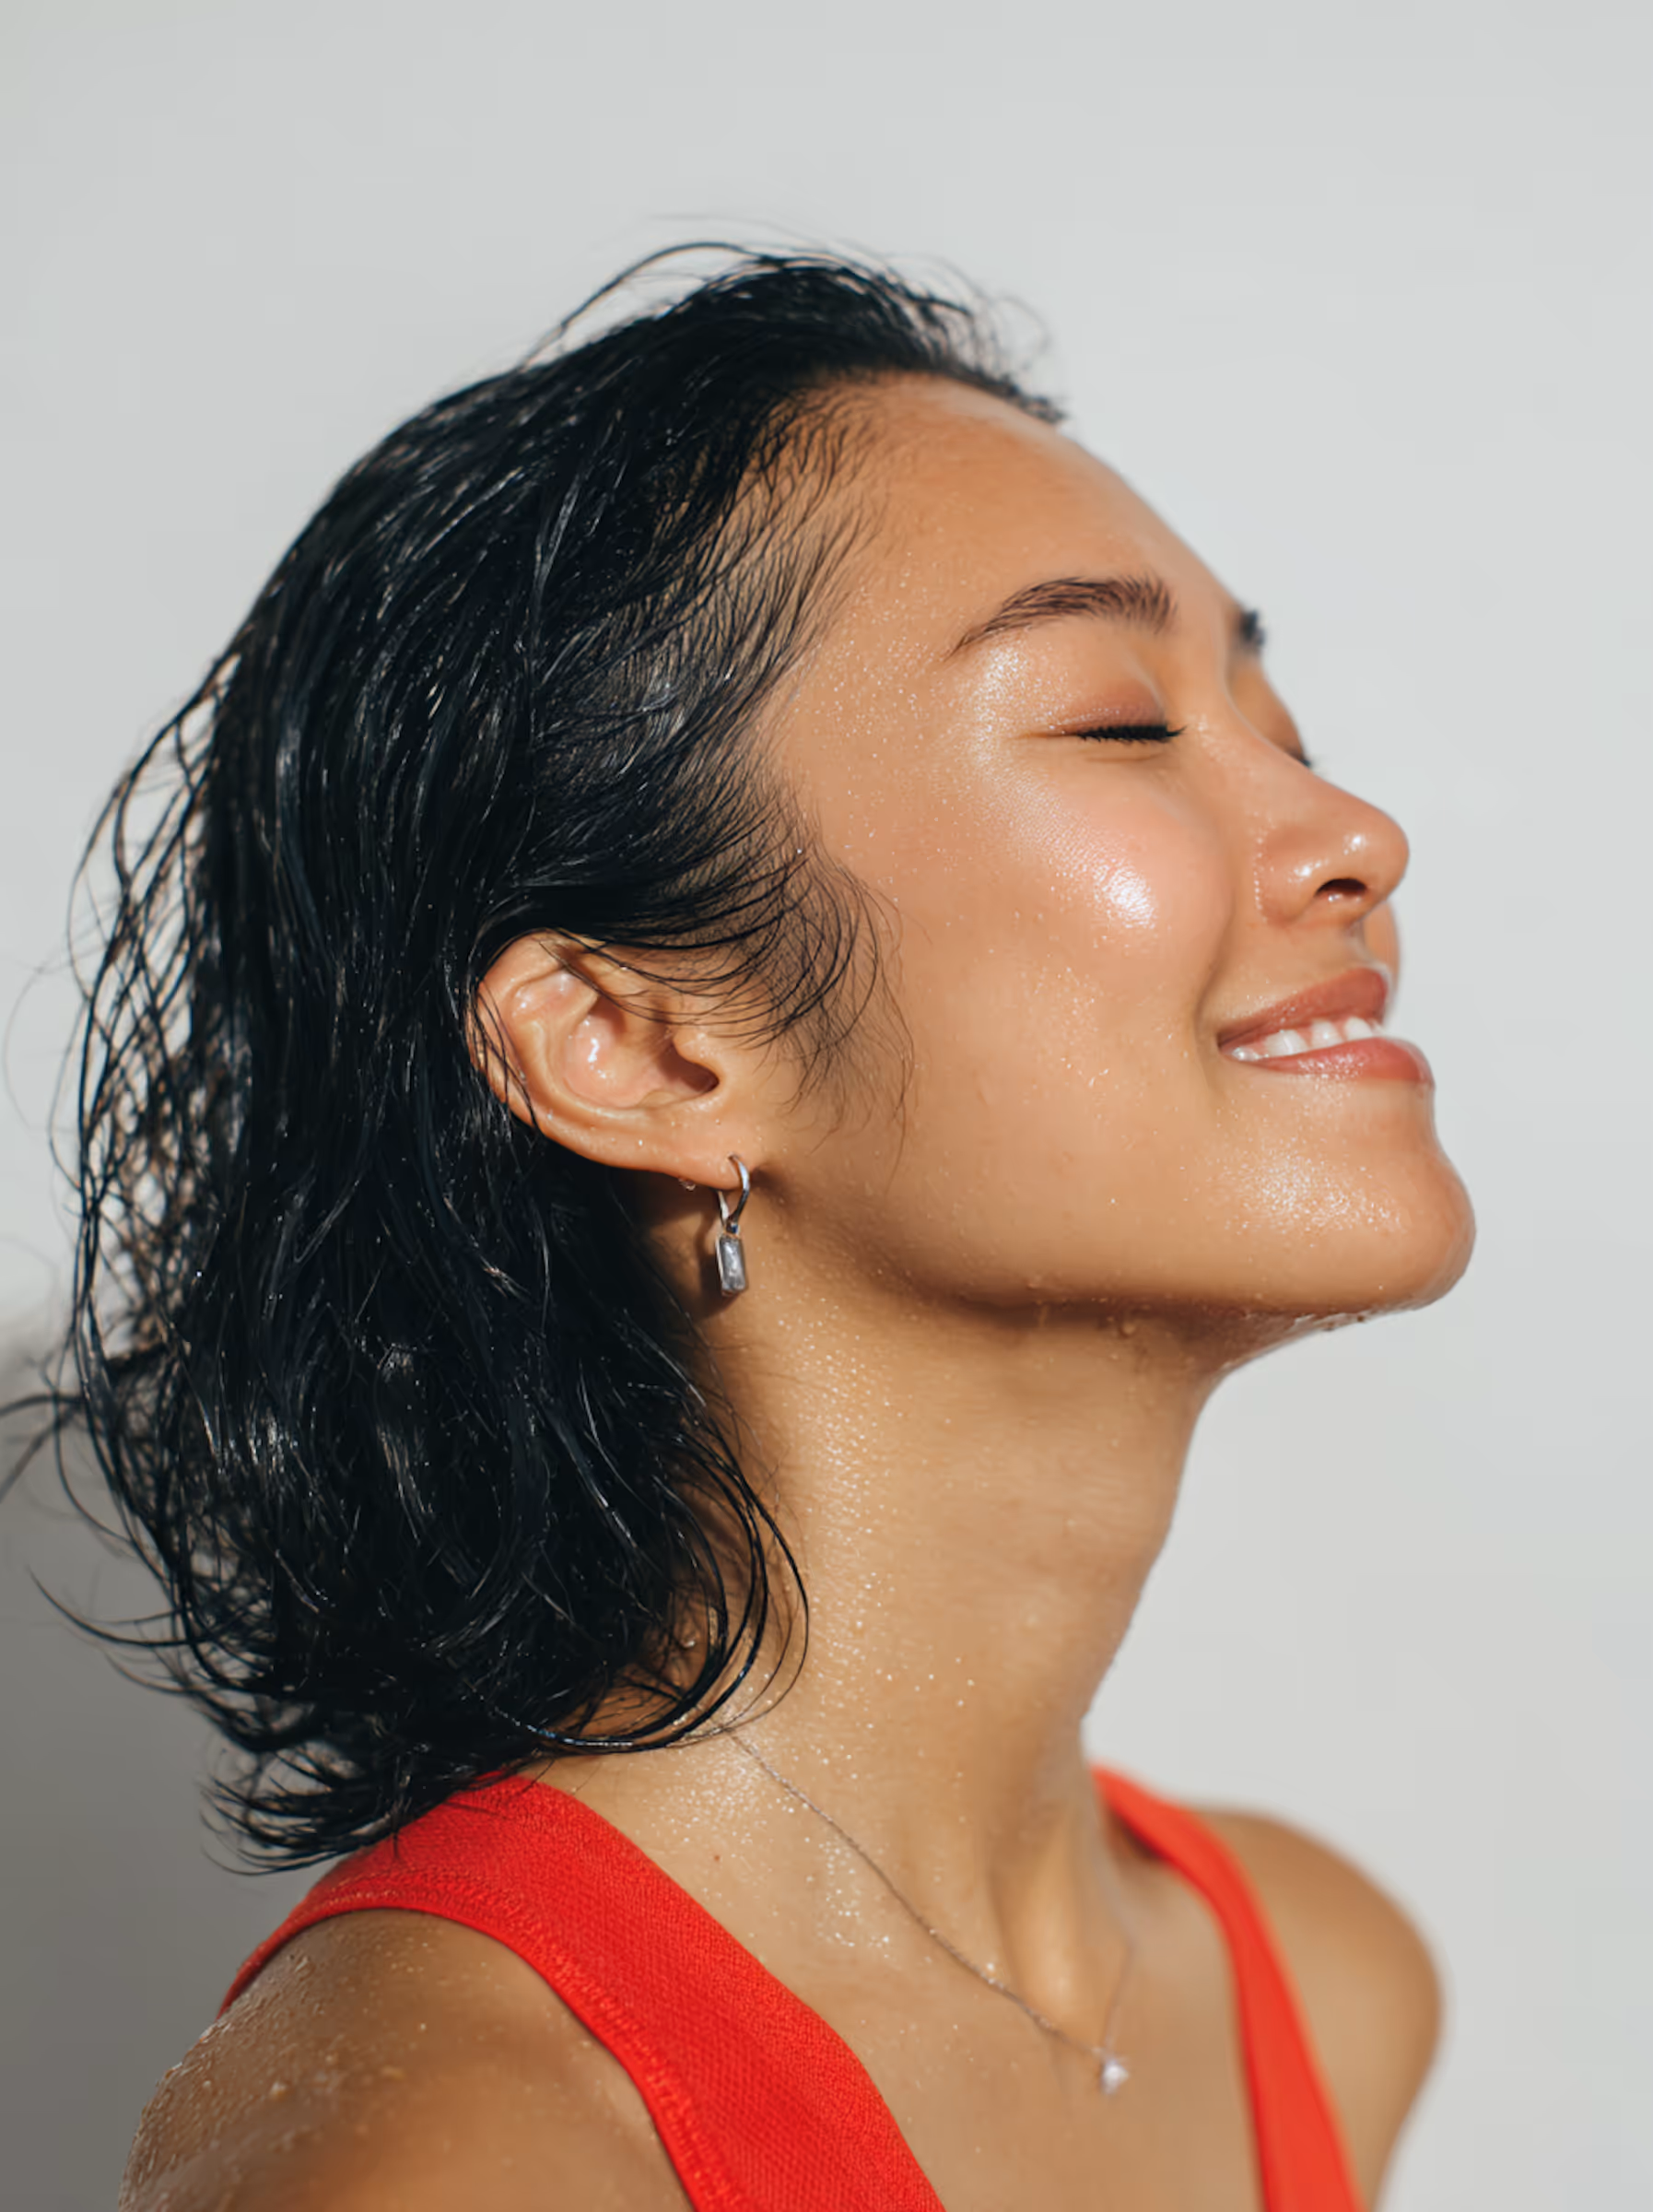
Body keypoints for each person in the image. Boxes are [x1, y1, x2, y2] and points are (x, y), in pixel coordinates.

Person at [72, 250, 1471, 2211]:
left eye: (1274, 714)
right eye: (1116, 727)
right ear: (636, 1042)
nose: (1353, 832)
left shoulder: (1315, 1983)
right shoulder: (464, 2148)